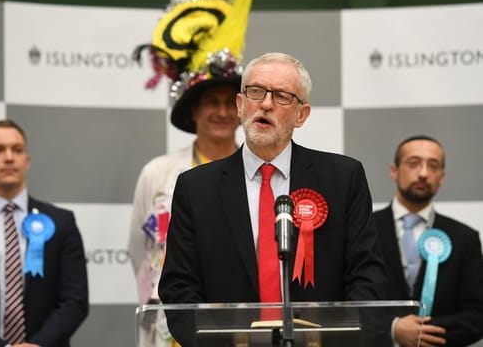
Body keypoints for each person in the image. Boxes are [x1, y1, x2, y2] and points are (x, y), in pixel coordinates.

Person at [158, 52, 387, 345]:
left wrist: (335, 339)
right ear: (240, 105)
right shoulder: (196, 187)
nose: (265, 104)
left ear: (301, 115)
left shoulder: (342, 178)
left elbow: (367, 277)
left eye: (281, 96)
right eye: (255, 92)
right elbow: (179, 287)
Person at [128, 0, 253, 346]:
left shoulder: (258, 172)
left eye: (231, 102)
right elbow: (139, 247)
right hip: (171, 326)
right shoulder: (159, 172)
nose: (223, 112)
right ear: (193, 110)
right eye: (211, 102)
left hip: (243, 323)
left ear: (243, 109)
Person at [0, 119, 89, 347]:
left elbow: (75, 301)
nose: (9, 157)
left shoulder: (62, 222)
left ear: (27, 161)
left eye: (17, 150)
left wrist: (37, 344)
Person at [373, 135, 483, 347]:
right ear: (394, 171)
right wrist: (392, 328)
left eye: (433, 166)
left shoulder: (464, 238)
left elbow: (477, 314)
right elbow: (347, 302)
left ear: (441, 177)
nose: (423, 173)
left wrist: (422, 333)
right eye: (413, 163)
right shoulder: (364, 230)